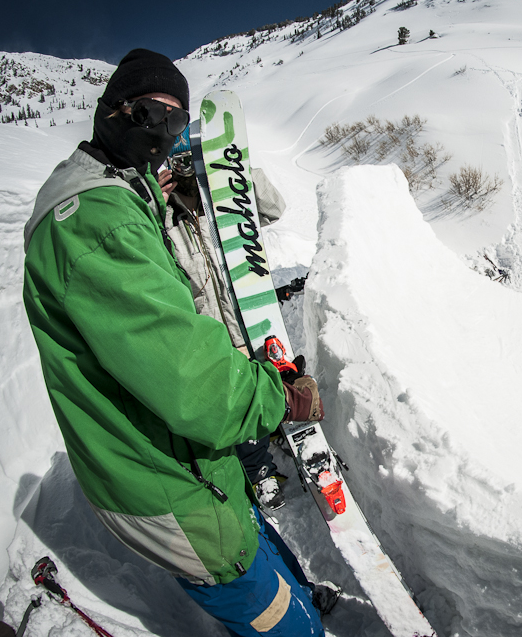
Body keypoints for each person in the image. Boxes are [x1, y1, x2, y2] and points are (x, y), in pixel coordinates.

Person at [23, 49, 327, 636]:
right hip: (172, 466)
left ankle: (300, 598)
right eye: (147, 113)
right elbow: (187, 373)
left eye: (175, 119)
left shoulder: (135, 195)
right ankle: (297, 621)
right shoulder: (104, 219)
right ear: (113, 110)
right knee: (258, 593)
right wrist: (275, 399)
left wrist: (204, 172)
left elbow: (261, 206)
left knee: (247, 525)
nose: (161, 132)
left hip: (194, 434)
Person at [161, 132, 312, 511]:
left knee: (272, 376)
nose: (186, 171)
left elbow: (274, 208)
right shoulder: (162, 215)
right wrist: (151, 205)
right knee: (236, 401)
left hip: (250, 316)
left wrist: (239, 174)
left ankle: (280, 428)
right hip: (209, 329)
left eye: (192, 161)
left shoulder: (226, 201)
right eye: (178, 162)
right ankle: (258, 470)